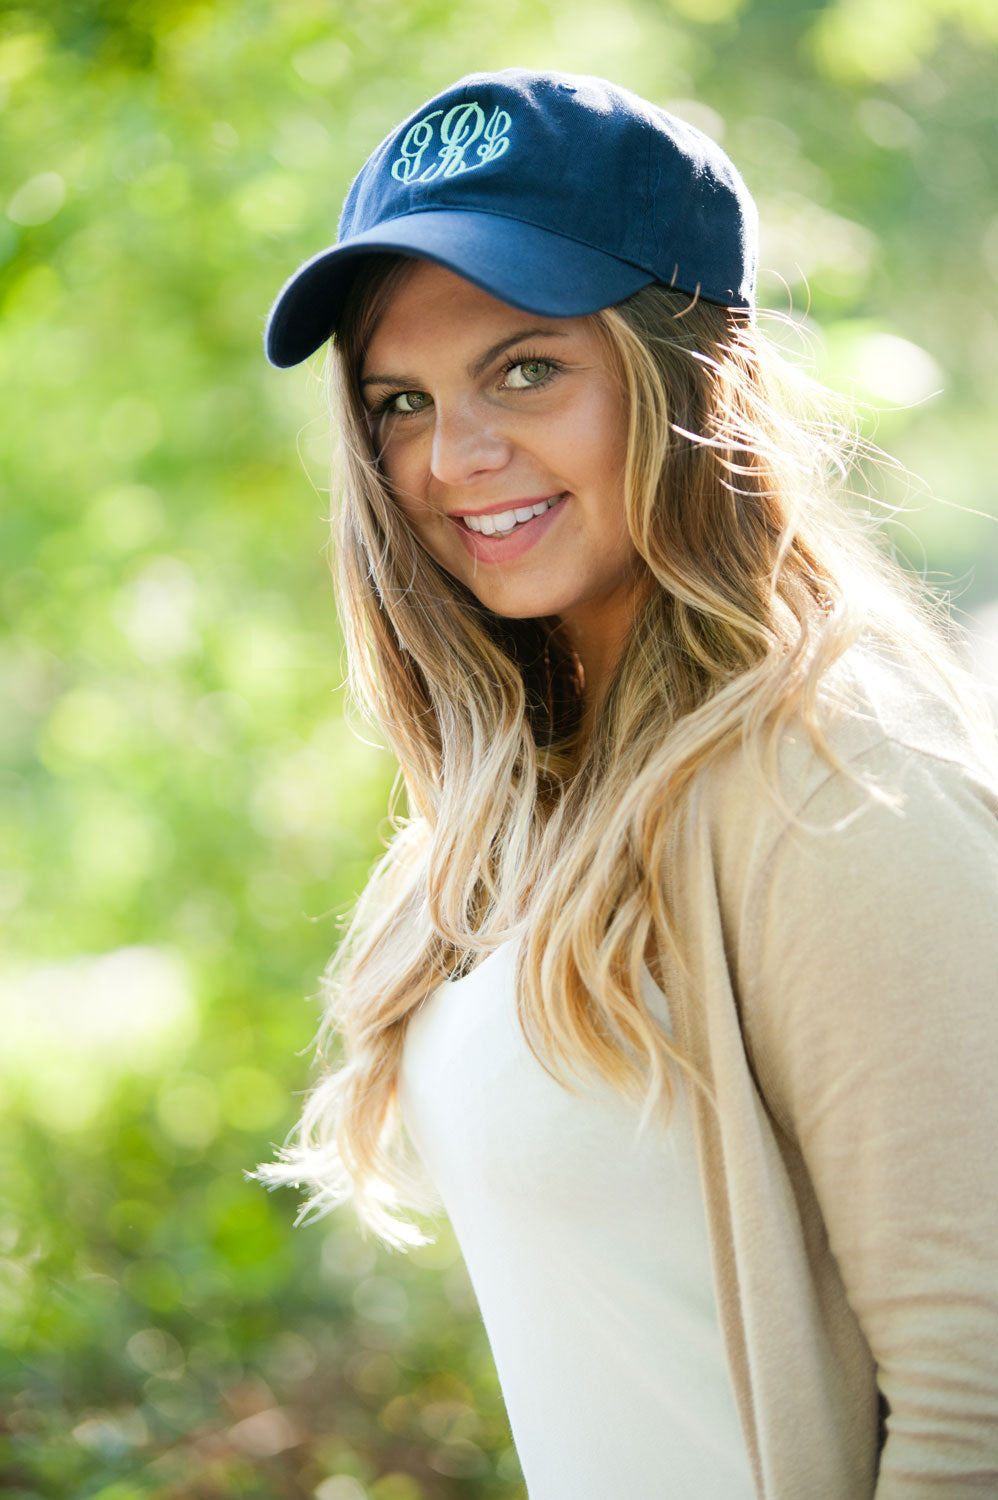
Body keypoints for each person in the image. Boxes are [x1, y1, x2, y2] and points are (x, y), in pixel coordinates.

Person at [258, 69, 998, 1498]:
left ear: (685, 372)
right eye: (398, 400)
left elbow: (981, 1388)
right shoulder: (522, 799)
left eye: (524, 368)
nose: (451, 460)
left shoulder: (830, 783)